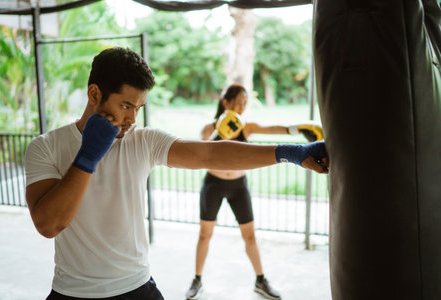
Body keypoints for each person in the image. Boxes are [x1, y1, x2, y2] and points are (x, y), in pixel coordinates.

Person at [24, 47, 329, 300]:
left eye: (139, 108)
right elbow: (50, 224)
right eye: (126, 105)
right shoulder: (46, 147)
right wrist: (89, 154)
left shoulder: (142, 141)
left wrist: (290, 153)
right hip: (72, 293)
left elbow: (211, 153)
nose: (131, 118)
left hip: (137, 287)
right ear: (94, 94)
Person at [185, 83, 324, 300]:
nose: (241, 108)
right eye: (238, 103)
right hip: (214, 185)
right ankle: (197, 279)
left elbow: (271, 129)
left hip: (238, 187)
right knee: (204, 235)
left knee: (250, 236)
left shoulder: (246, 127)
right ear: (226, 103)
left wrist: (298, 128)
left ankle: (261, 281)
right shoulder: (209, 128)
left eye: (244, 104)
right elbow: (199, 148)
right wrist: (217, 128)